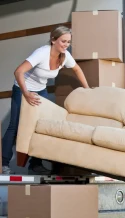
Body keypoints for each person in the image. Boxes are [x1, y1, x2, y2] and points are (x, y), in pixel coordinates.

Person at [1, 26, 89, 175]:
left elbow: (77, 70)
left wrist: (88, 89)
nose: (66, 45)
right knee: (14, 125)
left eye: (68, 42)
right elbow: (18, 71)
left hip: (41, 90)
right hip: (22, 89)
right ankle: (3, 164)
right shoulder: (41, 53)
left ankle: (35, 164)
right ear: (53, 39)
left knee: (41, 126)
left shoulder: (65, 55)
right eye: (63, 41)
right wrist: (26, 93)